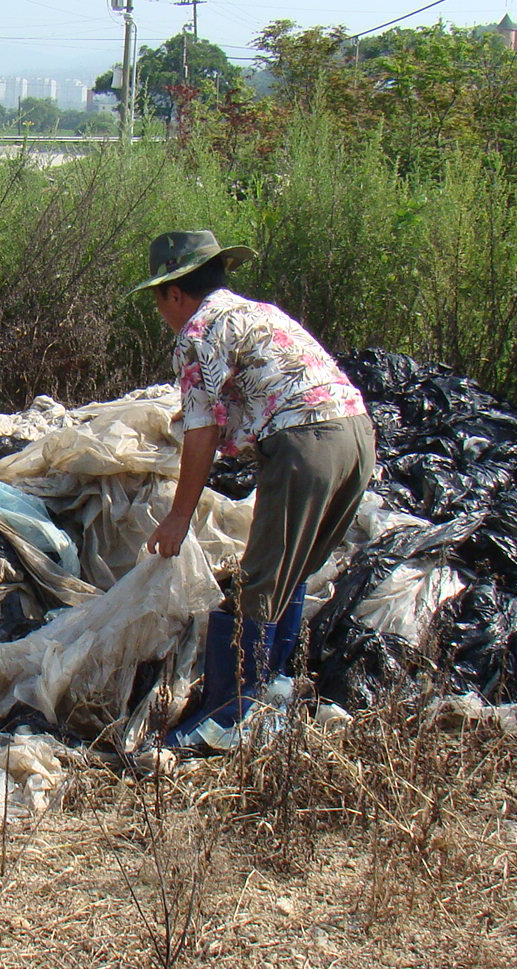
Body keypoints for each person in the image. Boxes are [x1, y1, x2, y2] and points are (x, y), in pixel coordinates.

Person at [133, 230, 376, 750]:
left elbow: (200, 430)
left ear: (174, 292)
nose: (162, 313)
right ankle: (267, 695)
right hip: (356, 437)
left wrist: (178, 516)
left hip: (305, 444)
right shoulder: (258, 313)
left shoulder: (197, 331)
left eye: (158, 301)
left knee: (260, 584)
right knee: (291, 572)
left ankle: (224, 718)